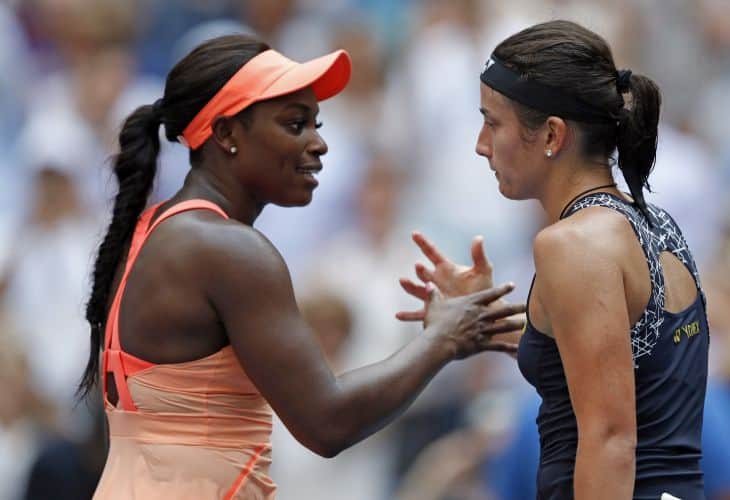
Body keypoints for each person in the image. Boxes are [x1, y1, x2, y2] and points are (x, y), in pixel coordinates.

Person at [78, 34, 525, 499]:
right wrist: (444, 339)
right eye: (295, 125)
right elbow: (327, 421)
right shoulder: (228, 250)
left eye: (316, 123)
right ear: (228, 133)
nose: (319, 144)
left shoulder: (164, 231)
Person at [398, 20, 709, 499]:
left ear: (551, 135)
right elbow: (618, 356)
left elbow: (610, 441)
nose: (481, 144)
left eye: (492, 122)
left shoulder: (572, 244)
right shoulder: (651, 222)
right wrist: (484, 321)